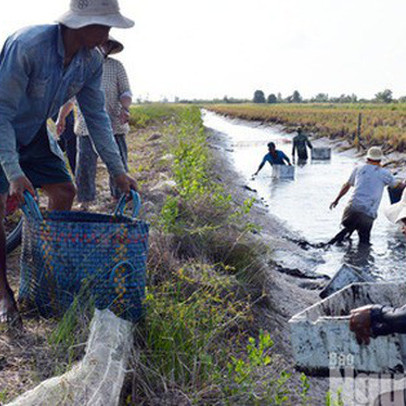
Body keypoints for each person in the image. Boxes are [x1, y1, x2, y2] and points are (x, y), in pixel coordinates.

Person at [0, 0, 136, 327]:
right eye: (103, 23)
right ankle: (4, 293)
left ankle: (42, 271)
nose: (107, 31)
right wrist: (14, 172)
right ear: (79, 23)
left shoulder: (90, 61)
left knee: (64, 191)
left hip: (34, 131)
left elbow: (97, 116)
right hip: (3, 125)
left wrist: (118, 171)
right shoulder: (27, 46)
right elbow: (2, 111)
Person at [57, 36, 132, 209]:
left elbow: (126, 92)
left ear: (110, 47)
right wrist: (61, 118)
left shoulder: (116, 66)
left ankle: (119, 197)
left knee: (117, 161)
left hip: (114, 123)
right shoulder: (82, 66)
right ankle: (85, 200)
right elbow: (71, 97)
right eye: (100, 44)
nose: (102, 48)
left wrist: (125, 109)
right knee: (85, 165)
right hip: (86, 125)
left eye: (106, 45)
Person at [329, 146, 400, 246]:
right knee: (364, 243)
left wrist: (336, 200)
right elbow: (396, 186)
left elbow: (347, 185)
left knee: (347, 232)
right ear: (380, 160)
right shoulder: (385, 173)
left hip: (352, 208)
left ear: (367, 158)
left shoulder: (358, 169)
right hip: (368, 213)